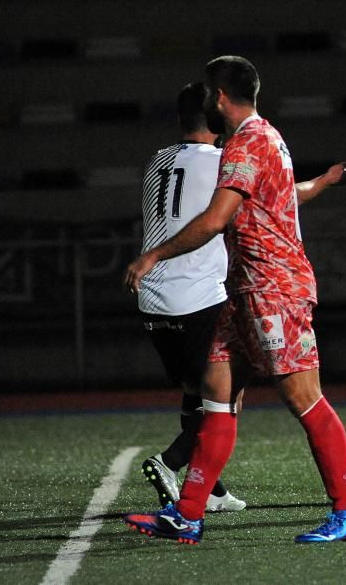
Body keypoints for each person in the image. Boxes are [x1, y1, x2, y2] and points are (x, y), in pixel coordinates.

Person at [122, 55, 346, 545]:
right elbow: (274, 199)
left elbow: (216, 219)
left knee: (303, 398)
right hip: (243, 289)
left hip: (273, 287)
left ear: (219, 96)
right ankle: (188, 514)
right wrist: (323, 183)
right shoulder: (262, 138)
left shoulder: (245, 143)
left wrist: (153, 256)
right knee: (216, 393)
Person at [136, 81, 244, 514]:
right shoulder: (222, 164)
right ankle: (171, 462)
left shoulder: (156, 160)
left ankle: (212, 488)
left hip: (153, 299)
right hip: (198, 297)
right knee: (227, 396)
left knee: (192, 390)